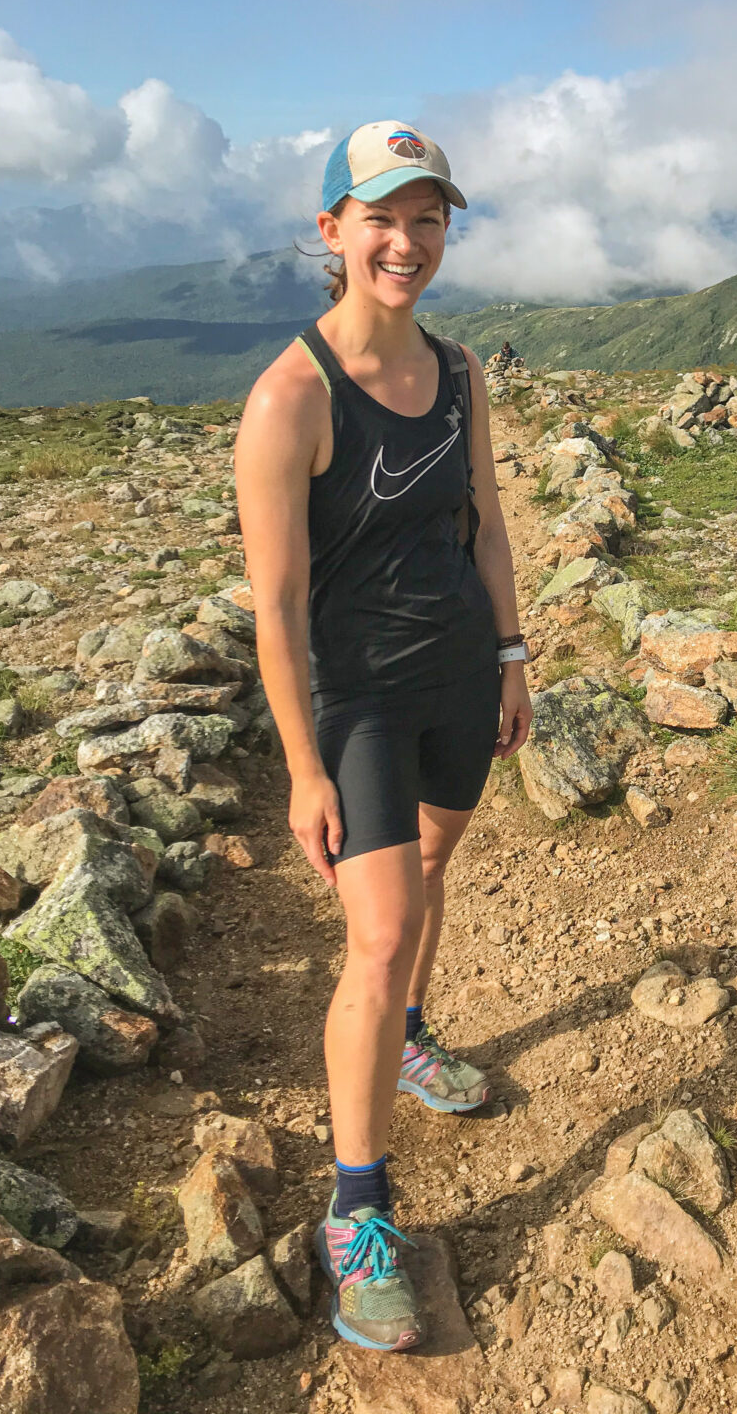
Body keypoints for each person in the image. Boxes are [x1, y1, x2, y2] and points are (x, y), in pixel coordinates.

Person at [234, 120, 533, 1353]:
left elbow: (488, 526)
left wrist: (513, 658)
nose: (405, 242)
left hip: (463, 678)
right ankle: (358, 1212)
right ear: (332, 232)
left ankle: (408, 1040)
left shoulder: (461, 374)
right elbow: (280, 607)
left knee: (433, 867)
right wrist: (303, 768)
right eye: (381, 218)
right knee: (382, 928)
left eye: (428, 218)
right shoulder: (290, 400)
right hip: (357, 703)